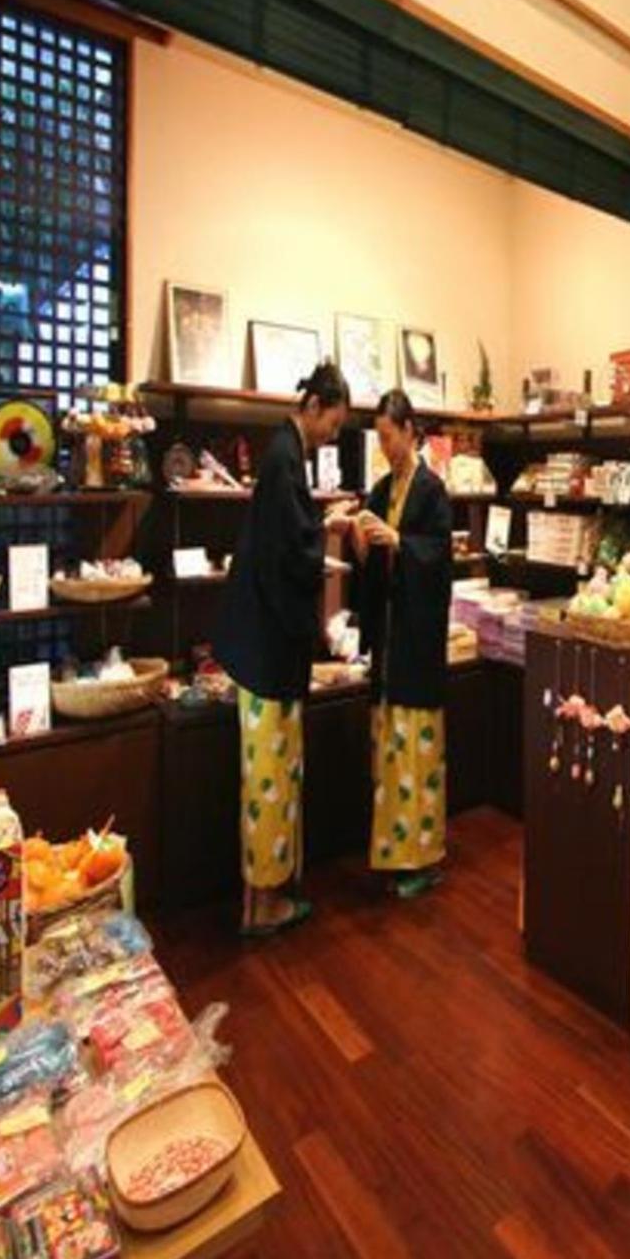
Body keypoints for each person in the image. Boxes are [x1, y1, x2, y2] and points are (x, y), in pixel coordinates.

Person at [214, 361, 353, 937]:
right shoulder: (281, 457)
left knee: (265, 778)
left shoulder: (285, 454)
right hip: (267, 649)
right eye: (333, 424)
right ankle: (262, 905)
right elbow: (290, 552)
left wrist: (318, 526)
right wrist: (329, 530)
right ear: (314, 406)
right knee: (269, 780)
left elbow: (289, 537)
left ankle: (261, 898)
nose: (332, 436)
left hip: (263, 645)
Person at [352, 389, 452, 897]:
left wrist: (400, 543)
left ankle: (425, 857)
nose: (385, 447)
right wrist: (361, 540)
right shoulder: (380, 490)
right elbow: (369, 568)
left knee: (417, 751)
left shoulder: (432, 491)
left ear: (411, 431)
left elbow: (439, 557)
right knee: (389, 750)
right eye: (380, 439)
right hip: (388, 640)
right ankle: (393, 851)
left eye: (390, 437)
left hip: (416, 640)